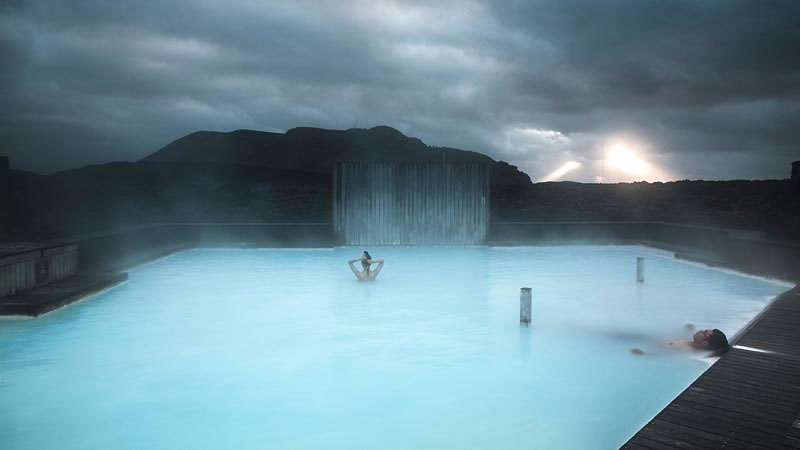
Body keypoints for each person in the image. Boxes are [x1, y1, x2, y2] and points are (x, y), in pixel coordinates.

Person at [631, 324, 729, 356]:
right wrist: (691, 330)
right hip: (644, 338)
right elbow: (697, 339)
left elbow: (664, 356)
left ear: (704, 342)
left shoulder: (684, 349)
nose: (700, 330)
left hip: (642, 340)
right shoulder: (693, 343)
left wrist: (645, 354)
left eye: (703, 332)